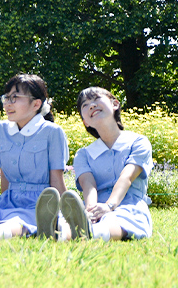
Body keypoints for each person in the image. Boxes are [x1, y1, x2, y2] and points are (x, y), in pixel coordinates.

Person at [0, 74, 69, 239]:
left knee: (19, 222)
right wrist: (5, 201)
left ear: (36, 104)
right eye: (6, 98)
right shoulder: (0, 130)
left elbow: (57, 179)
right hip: (9, 198)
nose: (8, 104)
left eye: (15, 98)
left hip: (41, 201)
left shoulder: (52, 132)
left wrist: (66, 211)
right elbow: (5, 177)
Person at [57, 86, 152, 242]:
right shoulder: (83, 154)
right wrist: (91, 212)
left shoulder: (138, 142)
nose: (91, 105)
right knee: (74, 218)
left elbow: (126, 177)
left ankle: (84, 233)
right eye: (85, 105)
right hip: (95, 205)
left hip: (129, 206)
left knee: (113, 221)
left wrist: (109, 206)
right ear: (85, 122)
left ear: (115, 104)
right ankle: (64, 231)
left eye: (96, 99)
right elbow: (89, 185)